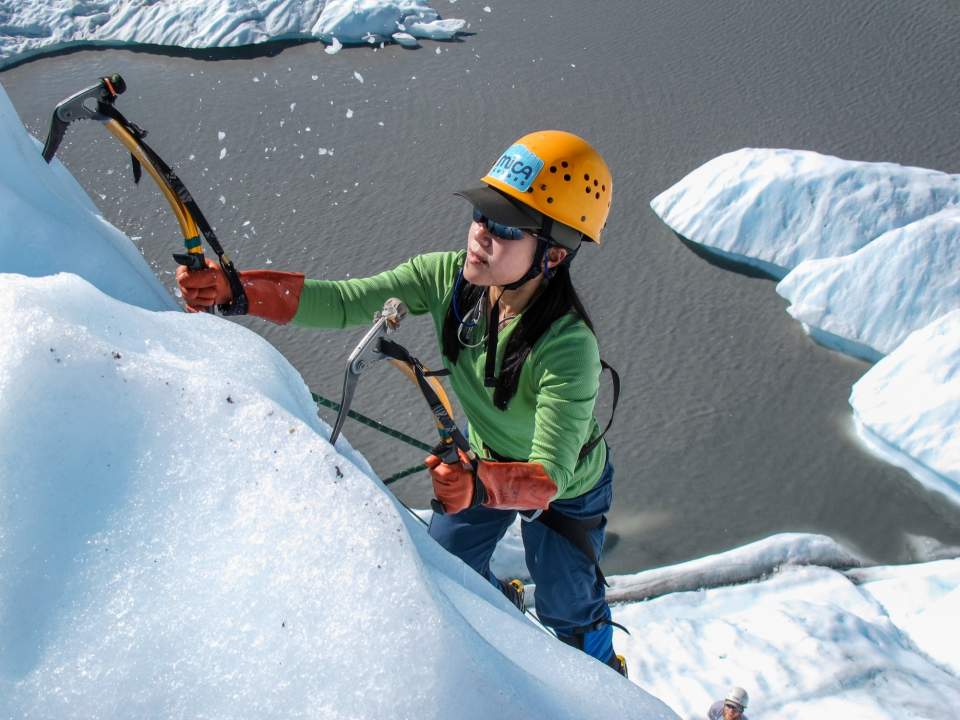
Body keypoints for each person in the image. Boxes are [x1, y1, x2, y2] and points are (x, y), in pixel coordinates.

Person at [176, 130, 625, 674]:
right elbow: (345, 301)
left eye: (506, 227)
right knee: (447, 570)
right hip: (482, 465)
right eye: (482, 215)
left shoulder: (568, 346)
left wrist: (478, 482)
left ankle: (608, 686)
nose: (481, 234)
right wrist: (237, 289)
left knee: (568, 607)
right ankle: (499, 602)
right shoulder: (446, 280)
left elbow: (547, 477)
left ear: (553, 253)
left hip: (565, 491)